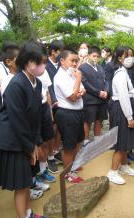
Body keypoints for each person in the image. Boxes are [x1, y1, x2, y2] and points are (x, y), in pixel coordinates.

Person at [0, 41, 49, 218]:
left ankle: (27, 213)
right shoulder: (16, 84)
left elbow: (36, 117)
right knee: (22, 184)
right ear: (27, 62)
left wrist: (37, 142)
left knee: (27, 181)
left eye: (44, 62)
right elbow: (17, 120)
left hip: (27, 139)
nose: (42, 66)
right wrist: (29, 147)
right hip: (14, 141)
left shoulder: (37, 83)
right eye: (39, 62)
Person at [107, 46, 134, 185]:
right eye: (127, 55)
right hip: (122, 109)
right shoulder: (120, 74)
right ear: (119, 57)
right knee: (121, 142)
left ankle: (123, 166)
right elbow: (122, 96)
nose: (130, 58)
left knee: (126, 140)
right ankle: (112, 172)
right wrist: (129, 117)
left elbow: (129, 92)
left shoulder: (124, 73)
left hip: (125, 107)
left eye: (131, 55)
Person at [54, 50, 86, 183]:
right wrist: (78, 80)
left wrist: (79, 88)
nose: (74, 63)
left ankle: (73, 164)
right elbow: (73, 96)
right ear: (62, 61)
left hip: (77, 112)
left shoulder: (72, 73)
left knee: (78, 140)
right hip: (66, 113)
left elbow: (83, 90)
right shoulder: (60, 77)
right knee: (69, 145)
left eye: (76, 61)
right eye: (72, 60)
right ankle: (68, 173)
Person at [79, 46, 108, 146]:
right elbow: (85, 83)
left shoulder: (100, 67)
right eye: (93, 56)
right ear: (88, 56)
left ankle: (97, 139)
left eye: (97, 56)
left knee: (99, 120)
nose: (95, 58)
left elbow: (106, 80)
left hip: (102, 99)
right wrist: (98, 92)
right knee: (88, 121)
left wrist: (106, 91)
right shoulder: (82, 68)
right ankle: (86, 140)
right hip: (90, 99)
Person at [45, 40, 64, 172]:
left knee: (59, 128)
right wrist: (53, 101)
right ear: (53, 52)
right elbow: (48, 85)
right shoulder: (45, 65)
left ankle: (56, 150)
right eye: (59, 51)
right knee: (52, 129)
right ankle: (50, 156)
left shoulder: (61, 64)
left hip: (63, 101)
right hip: (51, 101)